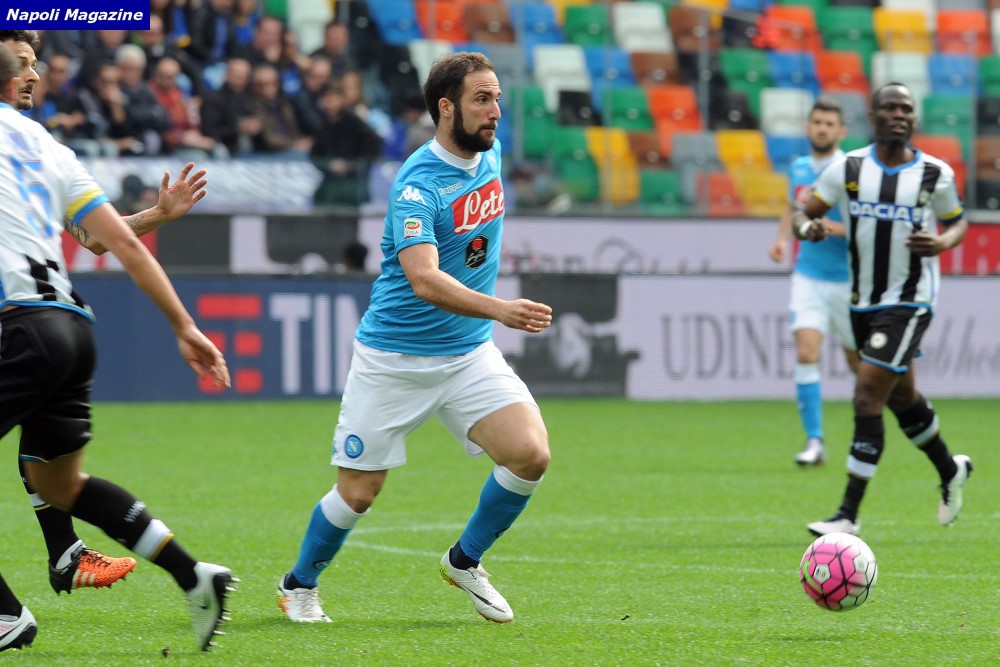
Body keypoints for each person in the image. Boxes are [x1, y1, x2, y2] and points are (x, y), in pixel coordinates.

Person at [277, 51, 552, 625]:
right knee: (358, 494)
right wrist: (501, 309)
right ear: (446, 108)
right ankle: (298, 585)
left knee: (530, 456)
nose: (495, 111)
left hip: (467, 353)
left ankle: (464, 561)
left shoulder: (490, 152)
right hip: (395, 359)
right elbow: (424, 279)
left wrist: (487, 318)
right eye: (482, 99)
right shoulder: (417, 187)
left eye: (497, 98)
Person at [0, 43, 235, 653]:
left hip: (19, 327)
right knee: (60, 486)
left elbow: (97, 240)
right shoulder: (46, 148)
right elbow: (110, 242)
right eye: (23, 63)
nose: (34, 73)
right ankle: (193, 575)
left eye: (35, 62)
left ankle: (6, 615)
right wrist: (185, 325)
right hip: (71, 330)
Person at [798, 82, 973, 536]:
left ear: (914, 118)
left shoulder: (935, 174)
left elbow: (957, 223)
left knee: (866, 394)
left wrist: (942, 242)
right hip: (864, 303)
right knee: (902, 400)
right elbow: (805, 213)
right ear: (873, 116)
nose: (899, 115)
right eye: (889, 108)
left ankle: (847, 514)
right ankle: (950, 469)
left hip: (911, 301)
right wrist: (806, 229)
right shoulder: (848, 168)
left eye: (906, 109)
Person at [768, 99, 860, 467]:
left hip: (848, 281)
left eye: (829, 123)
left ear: (842, 131)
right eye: (817, 122)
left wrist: (828, 228)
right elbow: (793, 208)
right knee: (806, 353)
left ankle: (866, 436)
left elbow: (864, 226)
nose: (822, 128)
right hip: (808, 275)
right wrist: (781, 239)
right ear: (808, 127)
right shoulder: (799, 168)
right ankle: (815, 441)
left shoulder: (851, 171)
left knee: (860, 366)